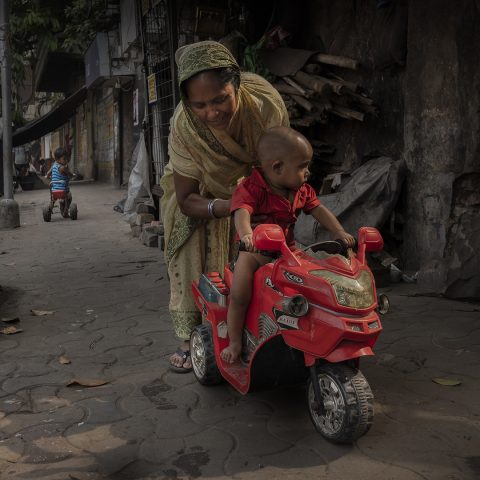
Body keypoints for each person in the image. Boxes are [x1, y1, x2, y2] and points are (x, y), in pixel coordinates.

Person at [160, 41, 289, 373]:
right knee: (188, 238)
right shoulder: (184, 128)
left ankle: (259, 329)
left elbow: (281, 166)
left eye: (220, 99)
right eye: (199, 104)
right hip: (202, 193)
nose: (212, 113)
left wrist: (255, 201)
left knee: (266, 251)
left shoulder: (265, 107)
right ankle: (192, 339)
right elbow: (188, 198)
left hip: (254, 187)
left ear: (238, 86)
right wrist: (229, 206)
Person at [220, 126, 355, 363]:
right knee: (240, 295)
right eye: (302, 166)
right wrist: (246, 234)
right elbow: (241, 211)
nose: (308, 172)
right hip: (254, 253)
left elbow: (320, 210)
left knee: (307, 287)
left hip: (287, 252)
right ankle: (234, 342)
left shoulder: (301, 190)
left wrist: (339, 231)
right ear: (277, 167)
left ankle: (304, 334)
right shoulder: (252, 188)